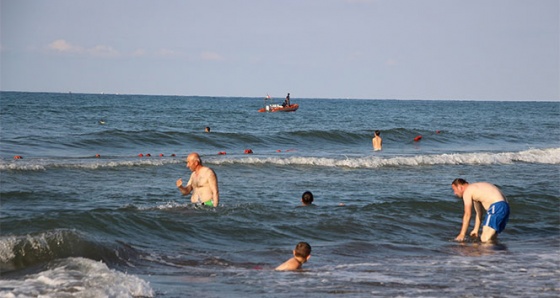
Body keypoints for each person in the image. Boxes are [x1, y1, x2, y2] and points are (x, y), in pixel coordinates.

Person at [451, 178, 510, 243]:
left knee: (485, 239)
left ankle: (489, 252)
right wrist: (476, 230)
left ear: (460, 187)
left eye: (454, 190)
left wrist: (462, 234)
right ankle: (498, 252)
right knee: (492, 238)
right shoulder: (475, 189)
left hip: (496, 206)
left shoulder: (467, 191)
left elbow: (467, 214)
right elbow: (479, 213)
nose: (455, 193)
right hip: (505, 207)